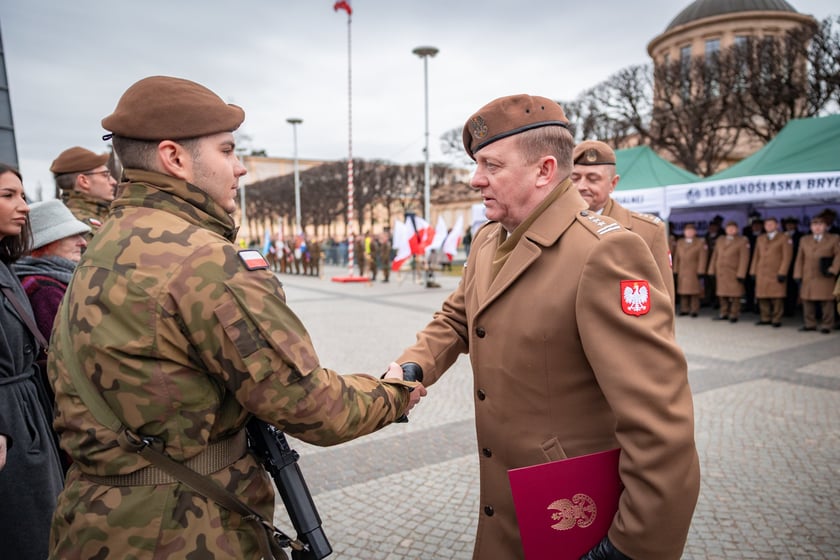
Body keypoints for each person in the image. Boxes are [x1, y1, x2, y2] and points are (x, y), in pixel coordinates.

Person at [46, 76, 426, 559]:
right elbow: (309, 405)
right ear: (174, 157)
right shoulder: (202, 259)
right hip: (182, 529)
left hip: (96, 520)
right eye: (226, 150)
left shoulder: (107, 239)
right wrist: (393, 393)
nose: (241, 167)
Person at [395, 94, 699, 560]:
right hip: (508, 500)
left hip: (572, 510)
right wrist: (412, 366)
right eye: (477, 165)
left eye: (492, 165)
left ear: (544, 170)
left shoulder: (604, 252)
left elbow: (660, 424)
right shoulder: (489, 239)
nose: (476, 179)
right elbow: (458, 317)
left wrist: (631, 546)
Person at [0, 164, 65, 560]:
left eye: (23, 195)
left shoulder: (5, 267)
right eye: (8, 196)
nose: (24, 206)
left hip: (27, 415)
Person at [571, 140, 675, 302]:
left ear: (613, 184)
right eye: (575, 178)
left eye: (593, 179)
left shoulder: (648, 232)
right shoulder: (553, 226)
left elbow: (664, 301)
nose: (581, 186)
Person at [13, 199, 90, 347]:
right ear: (45, 243)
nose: (83, 242)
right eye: (72, 235)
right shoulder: (46, 290)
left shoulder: (51, 279)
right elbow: (64, 348)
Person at [50, 146, 117, 238]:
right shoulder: (81, 227)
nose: (113, 182)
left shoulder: (66, 219)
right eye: (105, 175)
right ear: (84, 181)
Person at [793, 214, 840, 333]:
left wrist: (833, 269)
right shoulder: (804, 240)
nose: (817, 227)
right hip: (808, 274)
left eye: (820, 225)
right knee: (807, 300)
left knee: (826, 301)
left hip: (825, 274)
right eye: (814, 225)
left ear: (825, 226)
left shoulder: (834, 238)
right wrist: (797, 274)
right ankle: (810, 324)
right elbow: (799, 258)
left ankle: (827, 325)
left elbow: (838, 255)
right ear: (811, 227)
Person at [750, 216, 794, 328]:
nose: (769, 226)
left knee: (777, 297)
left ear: (777, 225)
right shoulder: (760, 238)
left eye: (771, 224)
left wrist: (783, 272)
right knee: (762, 296)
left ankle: (776, 318)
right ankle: (765, 317)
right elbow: (756, 256)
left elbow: (787, 257)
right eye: (767, 224)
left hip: (776, 271)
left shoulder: (784, 238)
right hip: (761, 271)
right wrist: (753, 271)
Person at [706, 220, 750, 322]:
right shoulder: (720, 240)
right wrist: (711, 270)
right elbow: (715, 256)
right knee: (722, 294)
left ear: (737, 229)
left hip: (734, 272)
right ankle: (723, 313)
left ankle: (734, 314)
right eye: (728, 228)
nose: (730, 230)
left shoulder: (742, 241)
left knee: (735, 295)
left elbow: (744, 259)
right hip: (721, 272)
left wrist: (741, 273)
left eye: (733, 228)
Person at [673, 223, 709, 317]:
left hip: (693, 270)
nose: (689, 233)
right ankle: (684, 309)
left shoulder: (700, 242)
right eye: (687, 231)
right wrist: (675, 269)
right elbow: (676, 257)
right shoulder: (680, 242)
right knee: (682, 291)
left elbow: (702, 258)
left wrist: (701, 270)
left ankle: (694, 309)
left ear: (694, 232)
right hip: (682, 270)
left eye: (691, 231)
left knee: (694, 291)